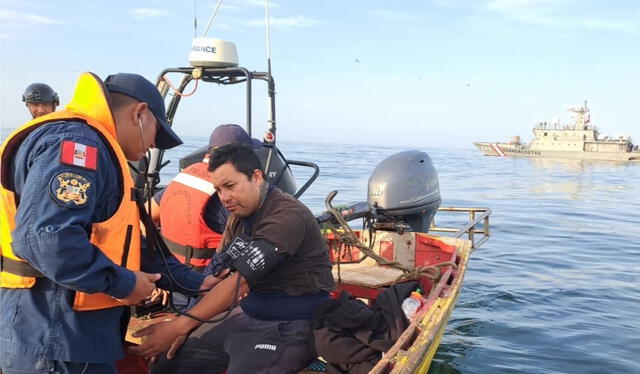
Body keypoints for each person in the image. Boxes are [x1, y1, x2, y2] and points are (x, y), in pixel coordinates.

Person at [0, 72, 220, 373]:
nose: (155, 145)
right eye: (157, 132)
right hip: (55, 336)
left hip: (77, 336)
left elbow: (121, 243)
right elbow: (47, 238)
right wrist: (125, 284)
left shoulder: (97, 147)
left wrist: (196, 282)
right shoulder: (78, 145)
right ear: (139, 113)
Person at [131, 143, 336, 374]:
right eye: (218, 189)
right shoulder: (237, 216)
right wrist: (187, 326)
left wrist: (181, 324)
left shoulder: (287, 216)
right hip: (247, 312)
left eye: (230, 186)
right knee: (167, 363)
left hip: (291, 323)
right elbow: (217, 273)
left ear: (256, 177)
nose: (225, 197)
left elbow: (239, 283)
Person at [150, 124, 262, 272]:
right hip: (203, 280)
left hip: (169, 270)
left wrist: (154, 262)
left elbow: (145, 213)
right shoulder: (230, 192)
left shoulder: (185, 176)